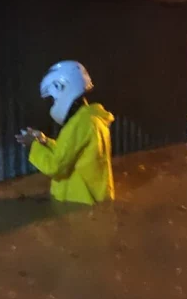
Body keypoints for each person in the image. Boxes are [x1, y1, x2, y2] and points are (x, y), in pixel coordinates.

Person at [15, 60, 115, 205]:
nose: (52, 103)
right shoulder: (92, 118)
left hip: (81, 203)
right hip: (94, 200)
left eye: (52, 98)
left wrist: (34, 146)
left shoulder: (80, 124)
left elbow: (56, 167)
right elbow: (69, 153)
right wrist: (44, 141)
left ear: (61, 89)